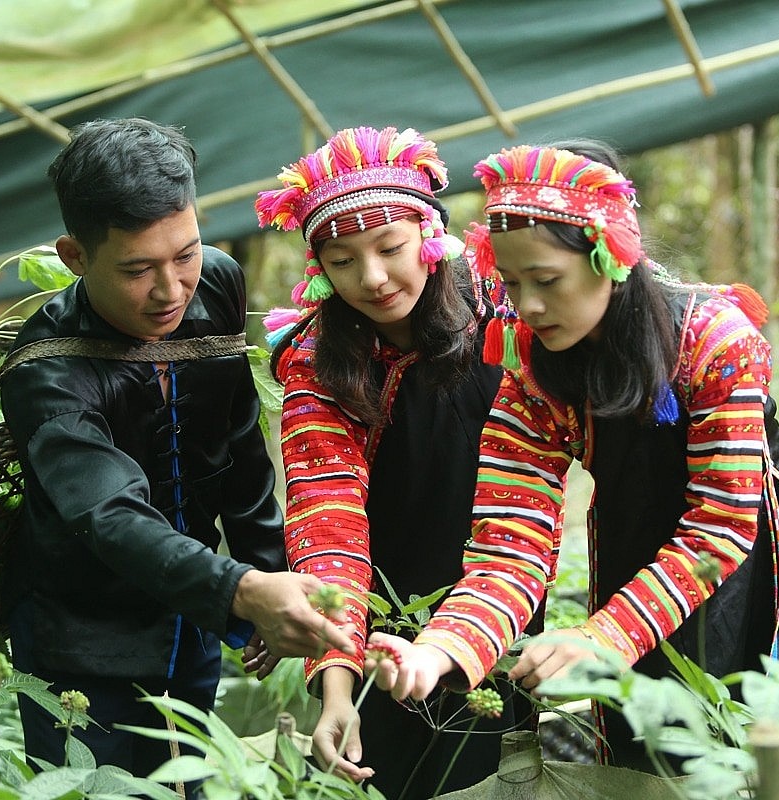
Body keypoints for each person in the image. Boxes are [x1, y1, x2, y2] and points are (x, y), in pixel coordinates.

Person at [366, 139, 779, 769]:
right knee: (638, 731)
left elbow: (720, 526)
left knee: (743, 723)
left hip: (751, 542)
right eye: (510, 282)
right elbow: (512, 535)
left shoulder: (715, 341)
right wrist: (442, 647)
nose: (526, 306)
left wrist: (606, 633)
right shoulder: (529, 370)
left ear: (609, 258)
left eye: (547, 280)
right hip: (631, 534)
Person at [0, 117, 353, 777]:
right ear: (75, 257)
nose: (171, 290)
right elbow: (111, 516)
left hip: (193, 620)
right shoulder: (44, 373)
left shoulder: (217, 283)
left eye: (184, 253)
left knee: (183, 782)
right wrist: (244, 590)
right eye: (137, 269)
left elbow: (239, 439)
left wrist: (265, 569)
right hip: (81, 644)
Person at [255, 125, 534, 799]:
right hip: (378, 628)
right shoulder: (315, 364)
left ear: (430, 235)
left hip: (506, 578)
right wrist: (336, 682)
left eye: (390, 248)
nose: (372, 278)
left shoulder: (506, 310)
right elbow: (328, 527)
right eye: (342, 260)